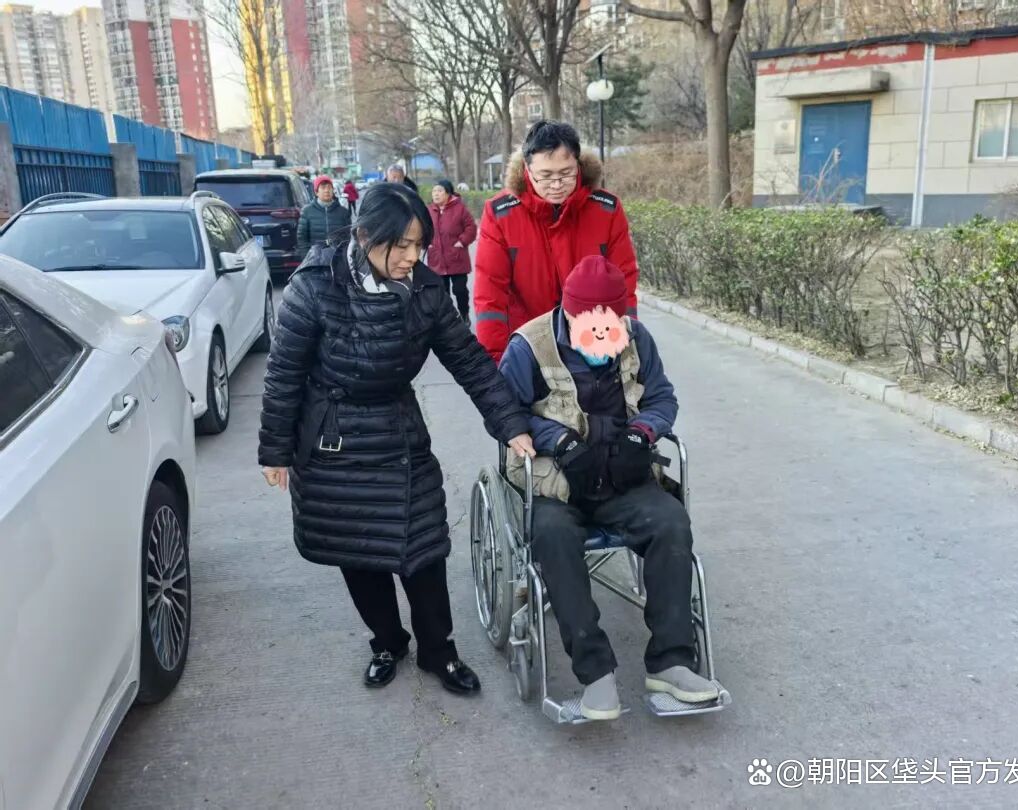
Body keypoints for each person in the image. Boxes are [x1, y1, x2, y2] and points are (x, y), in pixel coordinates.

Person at [258, 183, 535, 696]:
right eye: (402, 245)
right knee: (357, 551)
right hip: (333, 440)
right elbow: (284, 374)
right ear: (365, 236)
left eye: (419, 245)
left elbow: (469, 360)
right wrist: (275, 450)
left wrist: (510, 422)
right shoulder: (314, 286)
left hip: (398, 433)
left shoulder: (426, 292)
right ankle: (387, 642)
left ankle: (439, 651)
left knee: (424, 549)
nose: (413, 257)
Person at [498, 255, 719, 721]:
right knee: (553, 537)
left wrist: (642, 433)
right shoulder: (529, 347)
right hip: (558, 482)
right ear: (569, 313)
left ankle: (672, 663)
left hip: (622, 477)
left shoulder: (637, 339)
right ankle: (595, 673)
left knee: (671, 522)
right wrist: (557, 441)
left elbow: (662, 397)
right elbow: (505, 414)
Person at [474, 120, 640, 363]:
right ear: (527, 169)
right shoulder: (501, 215)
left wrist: (626, 347)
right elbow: (490, 295)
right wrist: (496, 361)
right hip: (527, 346)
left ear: (578, 165)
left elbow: (624, 283)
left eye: (565, 174)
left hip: (595, 346)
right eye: (545, 176)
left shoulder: (606, 210)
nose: (556, 185)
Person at [427, 179, 477, 325]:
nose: (436, 194)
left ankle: (464, 314)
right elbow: (423, 228)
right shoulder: (429, 210)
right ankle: (448, 320)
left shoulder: (460, 208)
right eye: (434, 191)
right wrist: (427, 242)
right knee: (443, 293)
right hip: (437, 259)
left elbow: (471, 228)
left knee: (460, 290)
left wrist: (462, 242)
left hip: (456, 257)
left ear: (448, 193)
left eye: (439, 191)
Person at [297, 175, 351, 258]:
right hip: (315, 258)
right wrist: (307, 256)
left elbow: (348, 236)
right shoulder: (307, 211)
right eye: (323, 188)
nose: (327, 190)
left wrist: (344, 255)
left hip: (338, 257)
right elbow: (302, 238)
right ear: (316, 192)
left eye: (329, 187)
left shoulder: (343, 212)